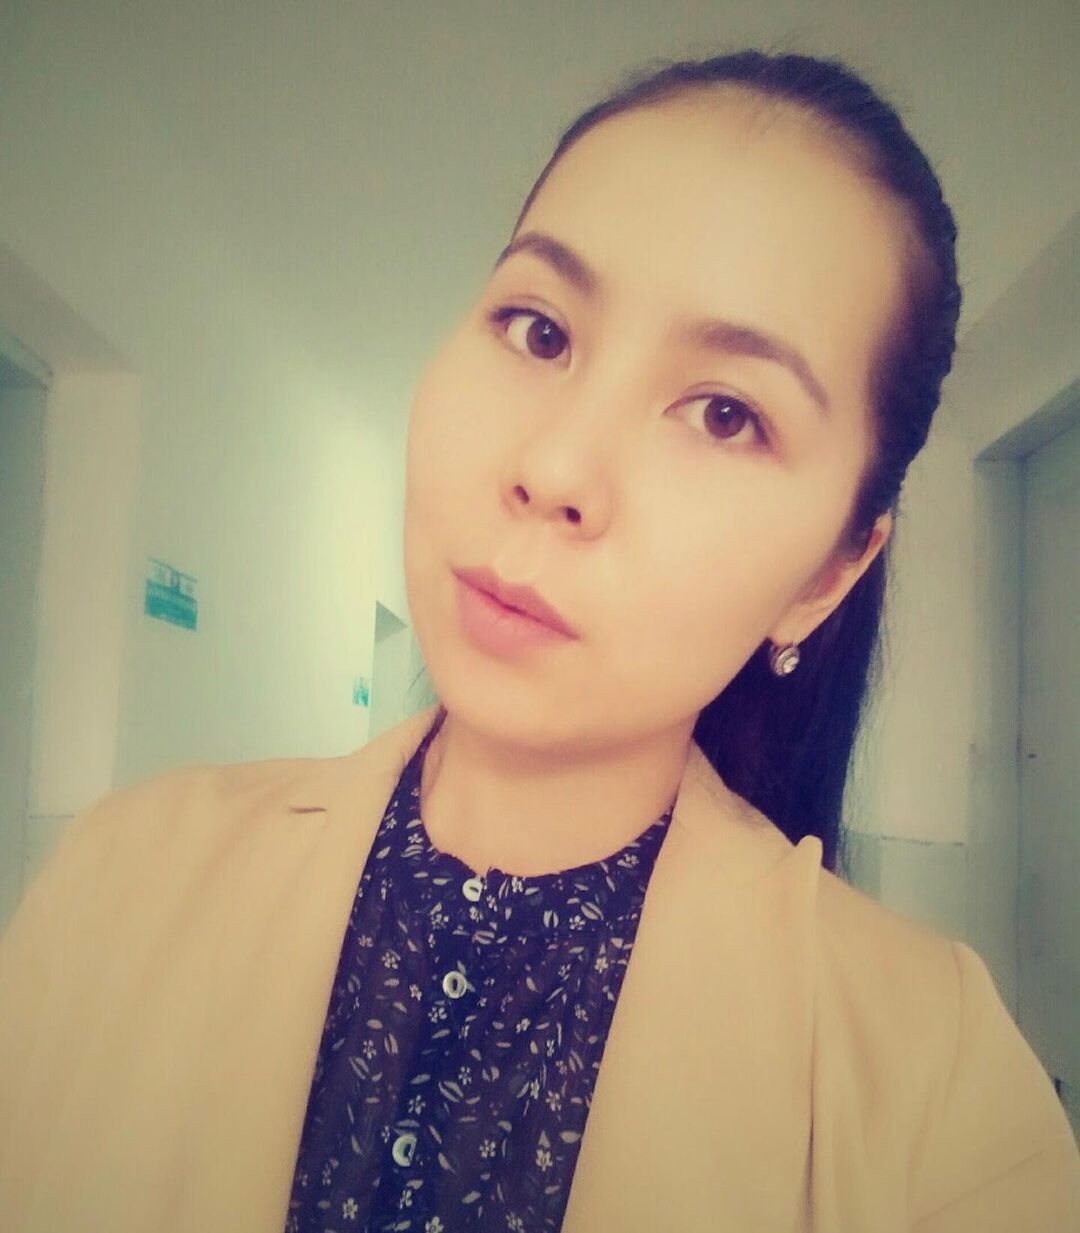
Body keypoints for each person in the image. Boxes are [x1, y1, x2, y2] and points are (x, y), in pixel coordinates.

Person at [1, 48, 1077, 1233]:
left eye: (726, 414)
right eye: (540, 331)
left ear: (829, 573)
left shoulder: (939, 1100)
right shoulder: (120, 878)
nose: (555, 467)